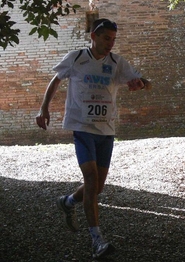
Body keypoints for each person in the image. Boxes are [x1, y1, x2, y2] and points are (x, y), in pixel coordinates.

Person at [36, 18, 151, 259]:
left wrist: (139, 84)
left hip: (106, 130)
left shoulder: (117, 62)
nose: (110, 43)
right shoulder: (77, 58)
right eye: (106, 38)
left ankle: (67, 201)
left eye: (113, 39)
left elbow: (144, 83)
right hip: (81, 126)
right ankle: (97, 240)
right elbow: (55, 81)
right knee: (90, 177)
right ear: (93, 37)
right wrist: (43, 108)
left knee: (97, 187)